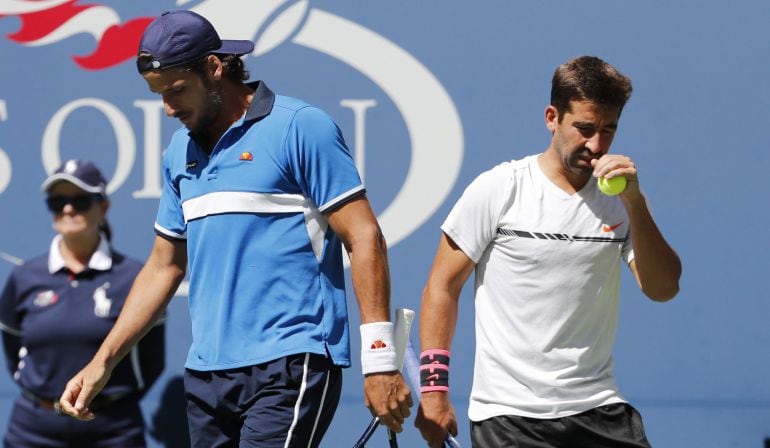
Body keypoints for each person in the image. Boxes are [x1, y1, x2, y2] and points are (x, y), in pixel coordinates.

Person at [57, 10, 411, 448]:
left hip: (291, 361)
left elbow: (364, 237)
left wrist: (380, 359)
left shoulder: (300, 127)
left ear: (213, 67)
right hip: (206, 376)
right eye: (158, 94)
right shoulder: (177, 154)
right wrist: (103, 362)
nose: (168, 107)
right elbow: (164, 267)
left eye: (177, 89)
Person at [414, 56, 682, 448]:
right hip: (509, 417)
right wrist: (434, 390)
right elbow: (442, 287)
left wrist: (636, 205)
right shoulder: (498, 189)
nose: (597, 144)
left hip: (600, 409)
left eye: (609, 130)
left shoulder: (624, 202)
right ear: (552, 117)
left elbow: (663, 288)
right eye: (585, 128)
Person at [0, 159, 165, 448]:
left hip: (114, 430)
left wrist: (109, 403)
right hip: (33, 431)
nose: (68, 209)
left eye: (80, 200)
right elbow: (13, 351)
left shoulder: (134, 279)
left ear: (103, 207)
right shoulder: (24, 277)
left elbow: (151, 362)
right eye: (58, 201)